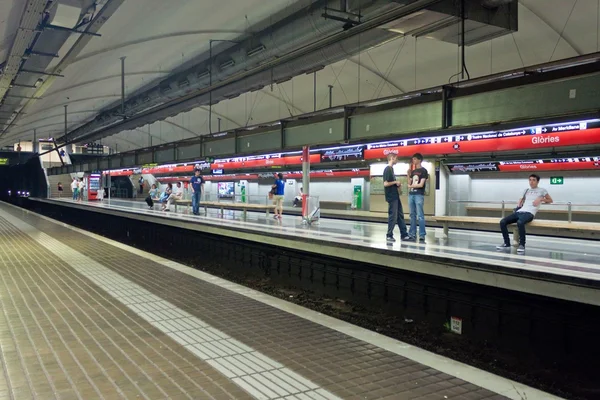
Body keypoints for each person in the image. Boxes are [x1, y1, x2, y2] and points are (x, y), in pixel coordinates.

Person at [497, 174, 553, 254]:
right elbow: (522, 200)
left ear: (537, 181)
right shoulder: (526, 190)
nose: (531, 182)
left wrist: (541, 199)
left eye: (534, 180)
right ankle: (506, 243)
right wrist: (520, 201)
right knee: (502, 222)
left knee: (520, 222)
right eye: (530, 180)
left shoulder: (542, 190)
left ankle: (522, 245)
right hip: (520, 211)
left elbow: (550, 200)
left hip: (529, 213)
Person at [383, 153, 411, 243]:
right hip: (392, 196)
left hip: (395, 196)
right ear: (392, 158)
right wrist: (395, 182)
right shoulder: (387, 169)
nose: (397, 160)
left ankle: (404, 234)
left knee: (400, 215)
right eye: (396, 158)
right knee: (393, 216)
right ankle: (389, 235)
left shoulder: (391, 169)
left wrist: (397, 184)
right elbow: (385, 183)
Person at [407, 153, 428, 242]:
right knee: (412, 215)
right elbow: (409, 183)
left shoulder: (424, 171)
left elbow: (421, 184)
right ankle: (412, 234)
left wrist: (411, 186)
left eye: (415, 159)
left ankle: (422, 234)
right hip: (411, 194)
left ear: (419, 160)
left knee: (420, 215)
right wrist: (408, 175)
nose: (413, 161)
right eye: (413, 159)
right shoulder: (413, 171)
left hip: (419, 194)